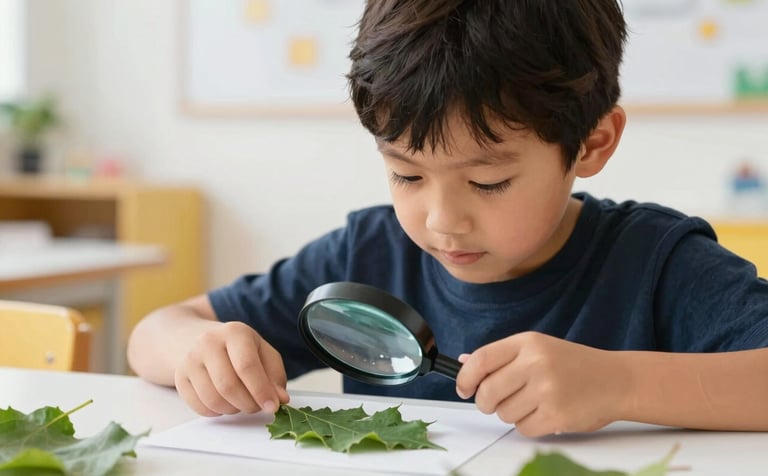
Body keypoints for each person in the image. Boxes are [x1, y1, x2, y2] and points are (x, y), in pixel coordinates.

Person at [127, 0, 768, 437]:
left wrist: (622, 384)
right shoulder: (368, 255)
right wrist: (200, 351)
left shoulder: (654, 262)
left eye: (488, 181)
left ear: (592, 144)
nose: (441, 220)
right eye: (406, 174)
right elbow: (155, 332)